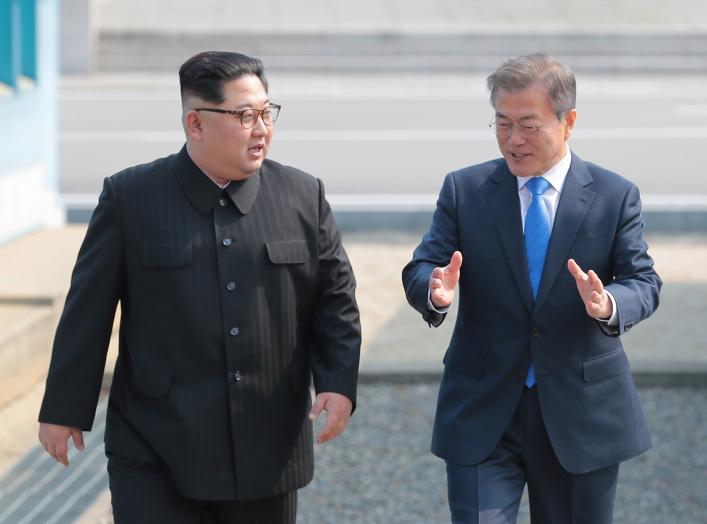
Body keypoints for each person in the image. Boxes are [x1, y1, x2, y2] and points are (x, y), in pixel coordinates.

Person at [38, 51, 361, 523]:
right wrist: (64, 406)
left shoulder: (302, 195)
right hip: (155, 444)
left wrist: (337, 383)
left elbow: (334, 301)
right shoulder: (130, 198)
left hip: (267, 444)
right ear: (195, 122)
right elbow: (88, 308)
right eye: (244, 115)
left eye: (266, 112)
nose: (261, 128)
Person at [402, 53, 661, 523]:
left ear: (569, 122)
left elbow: (644, 282)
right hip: (484, 407)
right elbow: (423, 266)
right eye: (502, 123)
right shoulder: (465, 189)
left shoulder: (613, 194)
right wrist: (434, 291)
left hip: (581, 413)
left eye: (529, 124)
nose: (513, 139)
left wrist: (608, 305)